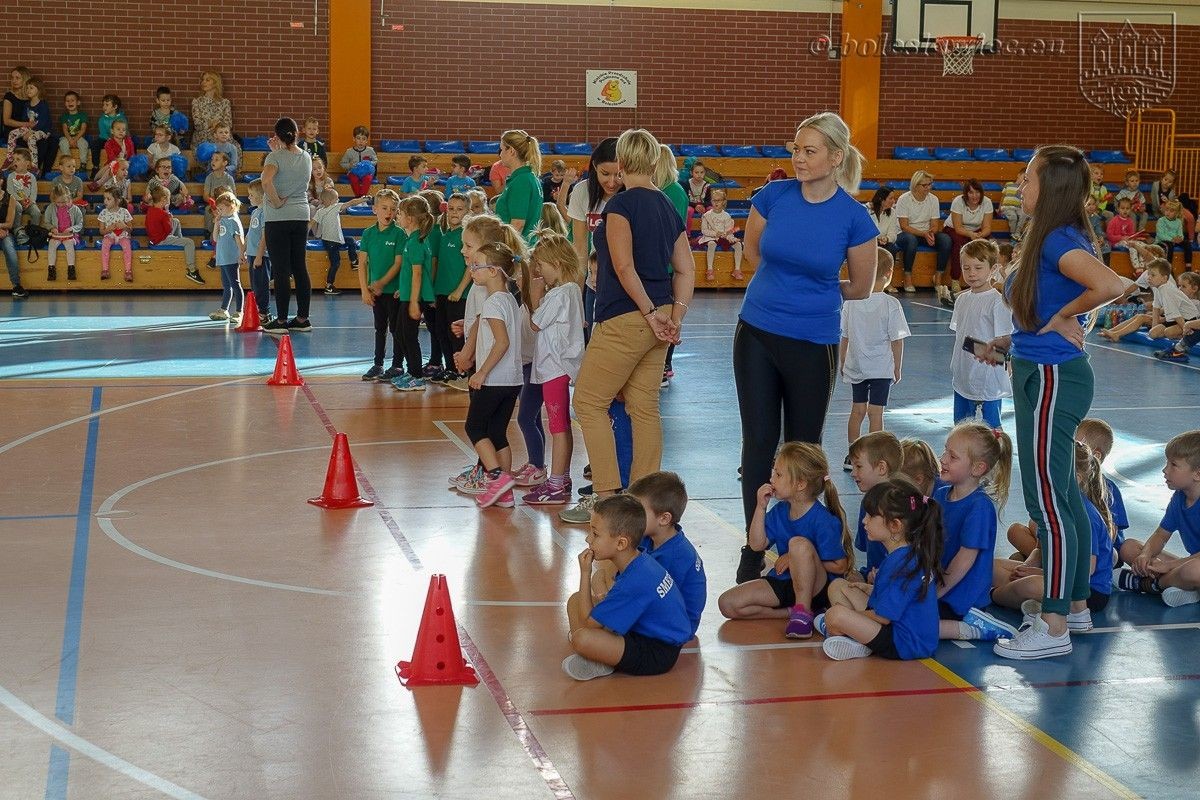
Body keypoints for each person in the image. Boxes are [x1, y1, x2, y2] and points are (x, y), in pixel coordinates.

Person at [988, 145, 1125, 660]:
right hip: (1036, 368)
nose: (1019, 186)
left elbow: (1112, 284)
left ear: (1052, 188)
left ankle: (1052, 627)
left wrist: (1064, 316)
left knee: (1046, 500)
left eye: (1027, 178)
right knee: (1063, 495)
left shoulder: (1058, 239)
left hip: (1051, 376)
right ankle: (1076, 606)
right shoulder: (1047, 238)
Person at [733, 112, 876, 584]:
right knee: (757, 443)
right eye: (795, 148)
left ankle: (806, 545)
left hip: (813, 341)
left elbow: (860, 285)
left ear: (836, 157)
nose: (798, 158)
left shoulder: (855, 218)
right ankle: (755, 545)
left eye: (809, 150)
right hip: (756, 331)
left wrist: (814, 289)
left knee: (803, 449)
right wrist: (787, 285)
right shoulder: (772, 197)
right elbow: (754, 254)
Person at [566, 128, 694, 524]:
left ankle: (607, 497)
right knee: (644, 408)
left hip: (626, 318)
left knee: (588, 402)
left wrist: (650, 313)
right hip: (656, 322)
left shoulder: (620, 207)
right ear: (655, 161)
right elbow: (686, 269)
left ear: (620, 164)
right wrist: (674, 316)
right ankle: (645, 499)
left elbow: (622, 267)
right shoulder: (667, 206)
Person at [717, 441, 851, 638]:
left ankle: (803, 613)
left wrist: (794, 558)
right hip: (786, 582)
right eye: (773, 472)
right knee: (727, 604)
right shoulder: (780, 511)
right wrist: (760, 507)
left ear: (800, 484)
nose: (772, 479)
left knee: (798, 545)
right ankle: (791, 612)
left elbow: (841, 566)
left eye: (778, 475)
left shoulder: (822, 520)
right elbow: (756, 544)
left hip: (817, 588)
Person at [564, 494, 692, 680]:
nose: (588, 539)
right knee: (575, 600)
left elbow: (587, 622)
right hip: (642, 631)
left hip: (657, 652)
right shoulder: (638, 559)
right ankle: (600, 653)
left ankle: (602, 660)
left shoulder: (637, 580)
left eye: (595, 534)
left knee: (581, 638)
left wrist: (585, 573)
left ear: (621, 543)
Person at [819, 479, 943, 661]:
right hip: (895, 628)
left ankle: (847, 634)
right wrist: (869, 589)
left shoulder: (903, 563)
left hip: (904, 643)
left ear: (895, 525)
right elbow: (902, 598)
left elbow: (884, 617)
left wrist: (849, 617)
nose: (864, 521)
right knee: (838, 585)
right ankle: (854, 637)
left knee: (835, 615)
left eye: (870, 516)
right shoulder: (903, 554)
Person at [992, 441, 1114, 623]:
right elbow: (1041, 548)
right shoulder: (1051, 507)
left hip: (1086, 591)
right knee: (991, 566)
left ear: (1076, 479)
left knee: (1030, 585)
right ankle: (1032, 603)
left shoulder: (1084, 515)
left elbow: (1087, 569)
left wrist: (1040, 575)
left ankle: (992, 596)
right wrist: (1026, 567)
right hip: (1053, 575)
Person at [933, 422, 1018, 643]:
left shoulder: (979, 507)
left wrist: (936, 592)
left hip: (961, 598)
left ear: (978, 468)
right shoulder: (941, 495)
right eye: (945, 451)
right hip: (942, 587)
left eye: (952, 457)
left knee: (912, 624)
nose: (942, 459)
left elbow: (964, 560)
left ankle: (975, 628)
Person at [522, 233, 586, 505]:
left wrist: (534, 297)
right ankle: (562, 477)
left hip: (555, 368)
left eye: (542, 267)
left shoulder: (559, 294)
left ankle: (557, 483)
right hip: (559, 367)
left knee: (558, 427)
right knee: (562, 427)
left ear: (557, 264)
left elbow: (535, 323)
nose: (540, 273)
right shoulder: (571, 290)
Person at [463, 241, 526, 508]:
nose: (472, 270)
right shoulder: (509, 299)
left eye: (477, 266)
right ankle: (506, 492)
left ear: (494, 271)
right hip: (512, 380)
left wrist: (481, 373)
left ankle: (497, 478)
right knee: (497, 433)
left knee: (474, 427)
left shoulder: (492, 304)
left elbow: (502, 343)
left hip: (494, 379)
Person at [1112, 429, 1200, 607]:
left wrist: (1170, 566)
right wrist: (1145, 555)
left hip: (1194, 567)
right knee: (1129, 547)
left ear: (1197, 474)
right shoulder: (1179, 498)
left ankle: (1150, 584)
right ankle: (1185, 588)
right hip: (1190, 563)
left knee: (1193, 571)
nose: (1165, 470)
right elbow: (1161, 534)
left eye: (1173, 465)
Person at [839, 248, 909, 459]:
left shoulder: (851, 302)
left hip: (856, 365)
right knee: (875, 413)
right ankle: (874, 456)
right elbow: (897, 340)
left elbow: (844, 336)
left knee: (857, 411)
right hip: (880, 368)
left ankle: (853, 455)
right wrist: (897, 366)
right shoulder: (891, 304)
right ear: (889, 274)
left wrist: (843, 362)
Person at [949, 240, 1013, 428]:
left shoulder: (997, 301)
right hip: (963, 373)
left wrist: (1006, 365)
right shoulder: (961, 300)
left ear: (993, 269)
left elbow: (1004, 340)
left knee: (992, 425)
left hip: (988, 373)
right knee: (961, 426)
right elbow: (961, 336)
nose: (972, 273)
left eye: (978, 267)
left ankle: (998, 455)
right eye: (966, 267)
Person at [260, 117, 315, 335]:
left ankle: (281, 321)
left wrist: (275, 200)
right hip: (301, 215)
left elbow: (266, 181)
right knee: (299, 266)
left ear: (278, 135)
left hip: (278, 217)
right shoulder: (307, 156)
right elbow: (290, 165)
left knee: (281, 269)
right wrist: (279, 150)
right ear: (297, 133)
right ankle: (302, 318)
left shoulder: (274, 156)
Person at [567, 137, 623, 331]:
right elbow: (580, 248)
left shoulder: (632, 194)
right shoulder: (582, 191)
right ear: (594, 167)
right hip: (594, 282)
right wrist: (576, 293)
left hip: (626, 284)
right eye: (605, 174)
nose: (612, 182)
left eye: (618, 175)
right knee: (589, 336)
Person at [389, 196, 437, 392]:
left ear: (409, 218)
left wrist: (415, 302)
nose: (396, 217)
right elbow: (411, 274)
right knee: (400, 333)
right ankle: (412, 371)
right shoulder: (411, 240)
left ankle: (417, 376)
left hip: (414, 298)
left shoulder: (417, 243)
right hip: (409, 295)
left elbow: (418, 274)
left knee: (409, 336)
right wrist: (404, 289)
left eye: (399, 214)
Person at [359, 188, 405, 382]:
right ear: (374, 209)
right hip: (375, 292)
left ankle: (397, 365)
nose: (388, 212)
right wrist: (365, 290)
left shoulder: (399, 234)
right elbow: (362, 263)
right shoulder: (368, 234)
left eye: (393, 209)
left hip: (393, 292)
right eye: (384, 208)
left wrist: (383, 283)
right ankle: (378, 363)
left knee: (396, 328)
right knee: (380, 328)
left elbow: (399, 263)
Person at [843, 431, 902, 582]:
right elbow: (865, 548)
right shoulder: (867, 502)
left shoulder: (900, 507)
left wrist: (882, 575)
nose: (853, 473)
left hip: (894, 580)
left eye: (859, 466)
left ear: (882, 468)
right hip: (873, 576)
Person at [428, 193, 470, 385]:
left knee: (456, 334)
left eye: (460, 209)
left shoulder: (465, 235)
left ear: (467, 212)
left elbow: (471, 265)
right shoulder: (445, 235)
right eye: (451, 209)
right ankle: (450, 368)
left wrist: (460, 290)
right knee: (441, 331)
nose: (454, 213)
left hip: (457, 296)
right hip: (442, 292)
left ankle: (462, 370)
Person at [895, 170, 953, 299]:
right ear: (915, 185)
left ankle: (938, 276)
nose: (928, 188)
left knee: (945, 240)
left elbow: (934, 224)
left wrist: (931, 233)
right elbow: (904, 226)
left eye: (930, 184)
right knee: (911, 240)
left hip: (925, 233)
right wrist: (924, 234)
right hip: (906, 234)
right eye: (924, 185)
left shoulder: (933, 199)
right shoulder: (904, 199)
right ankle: (908, 276)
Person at [943, 178, 995, 301]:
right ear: (966, 194)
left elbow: (987, 227)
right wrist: (971, 235)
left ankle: (987, 279)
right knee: (959, 245)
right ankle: (955, 279)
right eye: (971, 192)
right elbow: (958, 227)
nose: (974, 196)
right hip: (956, 229)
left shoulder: (987, 202)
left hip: (977, 231)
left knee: (988, 246)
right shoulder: (958, 201)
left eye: (977, 192)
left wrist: (980, 236)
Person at [311, 188, 367, 295]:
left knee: (350, 240)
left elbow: (311, 223)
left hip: (336, 240)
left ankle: (354, 261)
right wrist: (361, 200)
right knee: (335, 263)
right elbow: (351, 202)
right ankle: (329, 286)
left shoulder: (321, 211)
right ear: (331, 201)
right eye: (337, 198)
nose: (338, 200)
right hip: (330, 242)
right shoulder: (334, 207)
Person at [495, 129, 544, 243]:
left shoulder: (521, 181)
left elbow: (517, 225)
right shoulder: (528, 177)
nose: (500, 154)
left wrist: (504, 252)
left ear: (511, 151)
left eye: (501, 149)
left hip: (517, 249)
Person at [146, 185, 200, 283]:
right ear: (164, 199)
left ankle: (180, 241)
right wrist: (168, 218)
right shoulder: (163, 214)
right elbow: (168, 230)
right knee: (190, 242)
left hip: (155, 238)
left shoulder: (150, 210)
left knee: (176, 221)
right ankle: (192, 271)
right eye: (169, 198)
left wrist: (170, 219)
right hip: (161, 240)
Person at [209, 191, 246, 323]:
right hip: (223, 258)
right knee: (226, 285)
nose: (219, 211)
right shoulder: (223, 220)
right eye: (218, 209)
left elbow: (239, 239)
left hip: (231, 258)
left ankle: (239, 311)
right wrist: (216, 223)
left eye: (221, 208)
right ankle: (224, 310)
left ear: (231, 206)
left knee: (235, 284)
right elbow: (215, 238)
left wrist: (241, 253)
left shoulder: (233, 221)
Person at [698, 189, 744, 281]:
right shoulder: (707, 215)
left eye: (719, 200)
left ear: (724, 202)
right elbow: (704, 231)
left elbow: (728, 231)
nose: (716, 203)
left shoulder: (727, 216)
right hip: (710, 238)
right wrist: (715, 233)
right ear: (711, 201)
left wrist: (730, 238)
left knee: (738, 245)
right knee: (712, 244)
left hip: (724, 238)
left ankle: (737, 270)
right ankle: (710, 269)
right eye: (714, 200)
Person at [44, 185, 83, 282]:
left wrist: (71, 228)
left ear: (69, 199)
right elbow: (46, 222)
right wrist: (52, 228)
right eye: (58, 202)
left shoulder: (75, 209)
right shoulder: (51, 208)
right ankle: (51, 269)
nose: (61, 204)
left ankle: (71, 269)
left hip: (70, 235)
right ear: (54, 200)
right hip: (56, 235)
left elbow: (80, 224)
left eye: (63, 202)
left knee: (69, 246)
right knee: (52, 245)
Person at [865, 188, 901, 288]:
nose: (894, 201)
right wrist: (876, 239)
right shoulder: (866, 210)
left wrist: (887, 238)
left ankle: (887, 281)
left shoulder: (892, 213)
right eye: (891, 198)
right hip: (868, 241)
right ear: (881, 199)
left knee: (892, 248)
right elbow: (863, 231)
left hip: (883, 242)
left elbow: (893, 234)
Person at [97, 188, 133, 282]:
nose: (105, 201)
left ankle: (128, 271)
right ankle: (105, 270)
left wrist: (124, 226)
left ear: (117, 200)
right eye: (104, 198)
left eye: (108, 199)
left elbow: (130, 230)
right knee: (105, 244)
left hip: (122, 236)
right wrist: (108, 229)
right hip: (110, 236)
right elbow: (101, 232)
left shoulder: (124, 212)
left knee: (127, 246)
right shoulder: (103, 213)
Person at [191, 71, 232, 145]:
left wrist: (217, 126)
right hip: (203, 137)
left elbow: (228, 124)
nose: (203, 82)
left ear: (215, 82)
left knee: (231, 146)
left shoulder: (225, 102)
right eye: (203, 80)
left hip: (221, 136)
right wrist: (210, 123)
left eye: (207, 80)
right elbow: (197, 125)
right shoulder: (197, 102)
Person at [244, 180, 268, 304]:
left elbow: (265, 236)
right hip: (252, 254)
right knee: (255, 285)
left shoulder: (265, 213)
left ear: (262, 196)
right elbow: (250, 234)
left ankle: (264, 311)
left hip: (261, 256)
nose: (249, 197)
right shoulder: (255, 212)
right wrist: (243, 250)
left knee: (261, 285)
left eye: (251, 195)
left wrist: (259, 256)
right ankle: (258, 309)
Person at [0, 180, 23, 298]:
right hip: (1, 231)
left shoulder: (10, 198)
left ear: (1, 181)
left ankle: (16, 285)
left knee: (9, 249)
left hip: (5, 233)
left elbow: (9, 223)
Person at [340, 125, 377, 197]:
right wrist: (350, 165)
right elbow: (342, 163)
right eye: (358, 138)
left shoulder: (370, 150)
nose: (361, 141)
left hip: (366, 172)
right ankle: (358, 198)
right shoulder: (349, 151)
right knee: (353, 179)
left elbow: (375, 161)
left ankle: (363, 197)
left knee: (368, 178)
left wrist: (369, 164)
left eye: (363, 139)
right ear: (354, 139)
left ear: (366, 140)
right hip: (354, 172)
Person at [58, 90, 89, 170]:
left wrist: (75, 139)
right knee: (62, 143)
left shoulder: (82, 115)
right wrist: (70, 140)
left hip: (79, 137)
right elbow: (65, 129)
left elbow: (83, 129)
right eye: (67, 101)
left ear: (78, 102)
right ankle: (68, 163)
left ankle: (83, 164)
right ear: (65, 103)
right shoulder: (64, 116)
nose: (70, 102)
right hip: (67, 137)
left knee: (84, 144)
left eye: (72, 100)